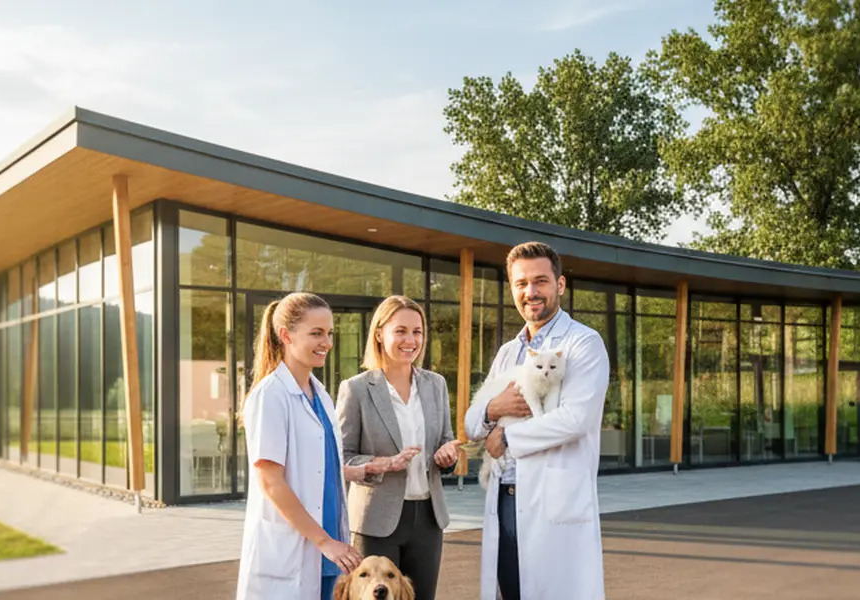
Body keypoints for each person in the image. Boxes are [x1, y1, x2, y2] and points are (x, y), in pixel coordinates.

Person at [236, 292, 409, 600]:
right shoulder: (271, 395)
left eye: (329, 333)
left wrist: (358, 471)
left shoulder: (321, 395)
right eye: (316, 333)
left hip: (328, 549)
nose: (327, 342)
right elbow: (270, 480)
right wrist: (323, 541)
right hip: (298, 549)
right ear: (285, 335)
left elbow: (314, 467)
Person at [465, 241, 610, 600]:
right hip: (505, 499)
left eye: (541, 281)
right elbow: (471, 425)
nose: (531, 292)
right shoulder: (508, 351)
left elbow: (575, 418)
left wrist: (507, 439)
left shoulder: (582, 344)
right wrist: (493, 410)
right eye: (521, 283)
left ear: (560, 285)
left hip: (553, 502)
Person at [336, 295, 463, 600]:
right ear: (380, 334)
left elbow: (446, 440)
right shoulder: (356, 389)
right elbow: (342, 456)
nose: (411, 340)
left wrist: (448, 455)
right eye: (401, 331)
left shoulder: (436, 385)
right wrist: (381, 464)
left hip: (428, 519)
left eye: (417, 331)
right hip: (376, 519)